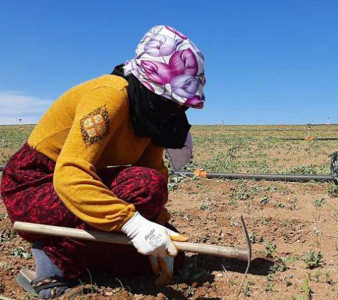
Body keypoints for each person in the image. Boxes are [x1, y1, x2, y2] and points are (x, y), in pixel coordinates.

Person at [0, 25, 206, 299]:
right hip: (35, 185)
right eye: (175, 100)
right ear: (151, 85)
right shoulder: (109, 96)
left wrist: (158, 227)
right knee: (144, 187)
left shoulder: (151, 115)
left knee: (172, 254)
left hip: (82, 186)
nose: (179, 110)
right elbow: (70, 174)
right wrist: (132, 223)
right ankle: (53, 259)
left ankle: (86, 255)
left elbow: (153, 175)